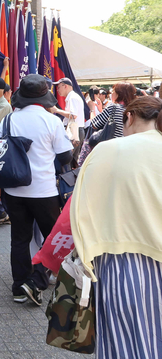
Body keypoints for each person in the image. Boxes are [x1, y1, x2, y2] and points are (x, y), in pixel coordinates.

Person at [70, 96, 162, 359]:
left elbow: (81, 208)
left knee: (122, 343)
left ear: (130, 118)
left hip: (119, 260)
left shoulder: (109, 149)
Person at [0, 74, 73, 306]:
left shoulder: (10, 120)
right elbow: (66, 155)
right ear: (44, 97)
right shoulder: (52, 121)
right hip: (44, 191)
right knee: (53, 238)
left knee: (19, 238)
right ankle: (37, 280)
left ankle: (19, 287)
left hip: (14, 190)